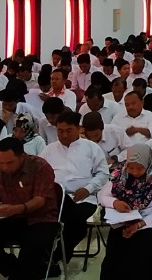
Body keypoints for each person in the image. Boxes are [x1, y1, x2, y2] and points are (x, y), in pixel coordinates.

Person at [0, 137, 62, 280]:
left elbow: (40, 200)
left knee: (31, 249)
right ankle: (18, 272)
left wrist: (17, 208)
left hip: (41, 219)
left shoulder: (40, 166)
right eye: (1, 162)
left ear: (21, 156)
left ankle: (21, 273)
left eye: (9, 163)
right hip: (11, 219)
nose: (4, 167)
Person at [97, 143, 152, 280]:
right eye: (131, 167)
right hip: (125, 218)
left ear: (148, 163)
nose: (134, 172)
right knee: (115, 255)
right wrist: (115, 203)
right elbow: (102, 196)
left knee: (141, 252)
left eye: (139, 168)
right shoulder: (120, 173)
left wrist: (139, 224)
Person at [41, 111, 109, 264]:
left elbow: (103, 173)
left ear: (79, 129)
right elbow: (40, 176)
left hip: (85, 198)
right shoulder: (49, 150)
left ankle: (55, 257)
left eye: (68, 130)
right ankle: (53, 256)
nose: (64, 135)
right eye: (60, 131)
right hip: (56, 199)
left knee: (76, 219)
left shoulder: (91, 148)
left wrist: (88, 189)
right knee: (67, 224)